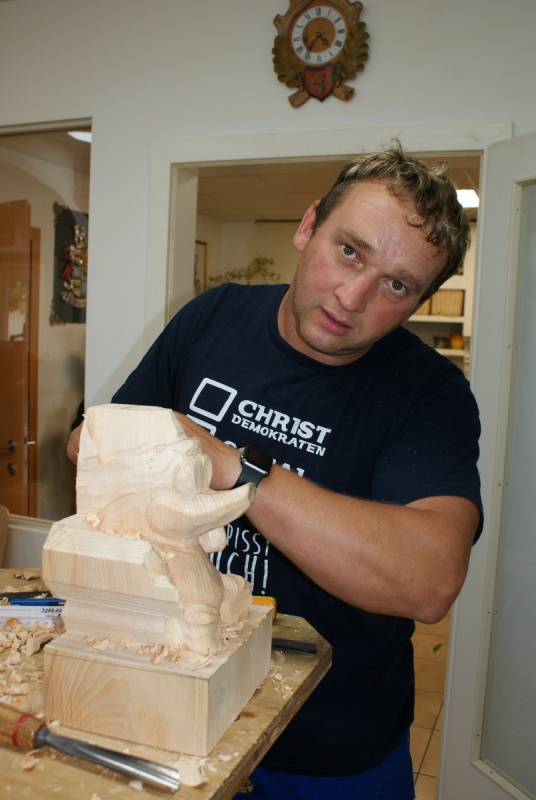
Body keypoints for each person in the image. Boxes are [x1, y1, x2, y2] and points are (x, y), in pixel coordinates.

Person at [68, 142, 483, 800]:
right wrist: (147, 451)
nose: (353, 296)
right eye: (350, 251)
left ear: (418, 302)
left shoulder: (430, 395)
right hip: (168, 695)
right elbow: (86, 441)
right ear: (309, 225)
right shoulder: (214, 315)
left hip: (326, 749)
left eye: (397, 285)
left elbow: (429, 582)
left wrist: (235, 468)